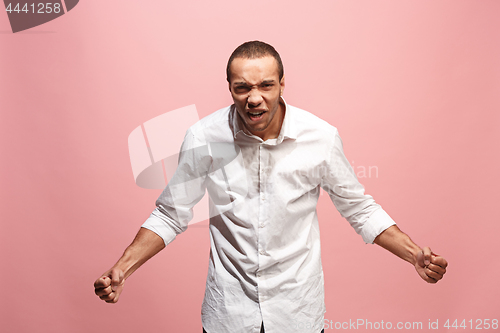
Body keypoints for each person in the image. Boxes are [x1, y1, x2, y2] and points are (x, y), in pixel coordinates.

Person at [94, 41, 448, 333]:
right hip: (227, 314)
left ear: (282, 84)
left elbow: (360, 209)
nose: (254, 97)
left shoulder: (320, 137)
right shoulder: (203, 137)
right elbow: (171, 214)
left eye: (265, 85)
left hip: (298, 313)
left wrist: (413, 253)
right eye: (242, 87)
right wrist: (123, 268)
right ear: (230, 88)